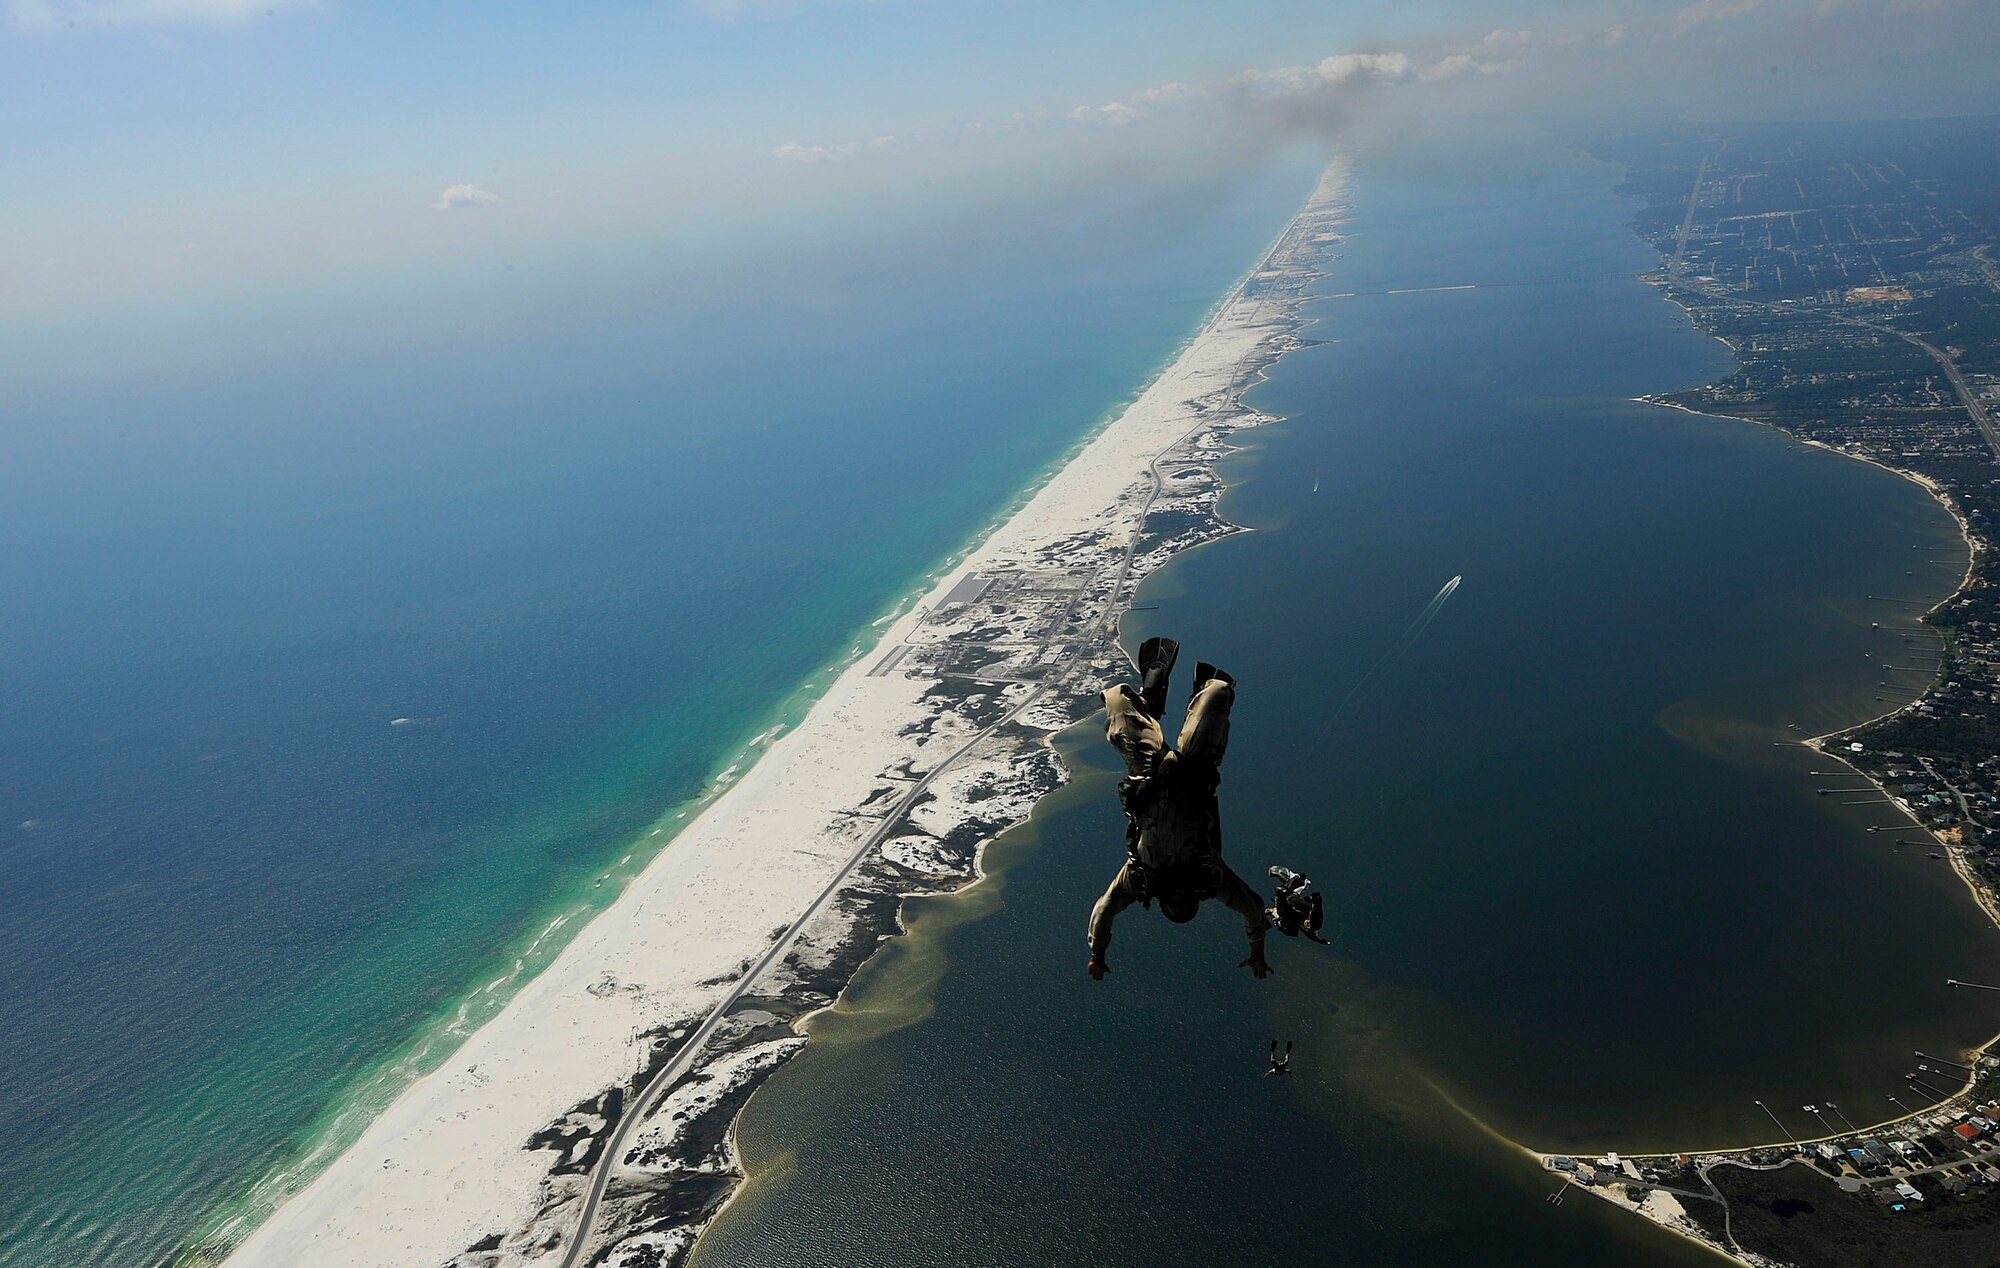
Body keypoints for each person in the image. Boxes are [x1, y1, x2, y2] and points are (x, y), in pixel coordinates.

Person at [1086, 636, 1271, 981]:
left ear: (1164, 903)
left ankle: (1150, 701)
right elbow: (1253, 910)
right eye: (1189, 901)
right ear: (1198, 899)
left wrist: (1097, 954)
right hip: (1193, 775)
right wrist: (1256, 955)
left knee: (1115, 698)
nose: (1182, 895)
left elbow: (1104, 910)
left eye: (1177, 903)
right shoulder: (1211, 878)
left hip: (1149, 774)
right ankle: (1193, 696)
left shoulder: (1139, 878)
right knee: (1217, 692)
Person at [1267, 866, 1329, 944]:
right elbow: (1313, 935)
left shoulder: (1289, 921)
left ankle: (1289, 886)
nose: (1307, 924)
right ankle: (1296, 882)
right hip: (1294, 900)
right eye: (1308, 923)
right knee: (1297, 905)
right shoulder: (1307, 915)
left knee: (1285, 915)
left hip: (1287, 908)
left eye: (1307, 925)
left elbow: (1272, 911)